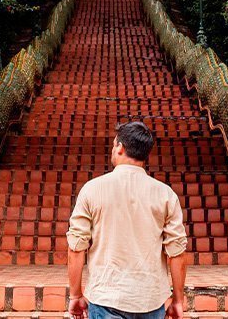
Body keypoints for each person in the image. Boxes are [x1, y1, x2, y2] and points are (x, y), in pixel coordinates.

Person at [66, 122, 188, 319]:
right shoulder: (165, 194)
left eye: (114, 144)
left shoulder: (92, 189)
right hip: (150, 301)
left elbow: (76, 247)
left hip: (106, 299)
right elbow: (177, 253)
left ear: (120, 147)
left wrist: (75, 295)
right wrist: (178, 300)